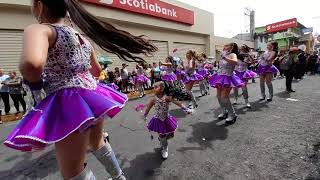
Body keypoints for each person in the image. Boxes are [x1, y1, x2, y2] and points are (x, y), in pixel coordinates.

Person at [4, 0, 157, 179]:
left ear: (39, 5)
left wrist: (36, 87)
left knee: (73, 172)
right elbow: (97, 70)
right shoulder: (81, 38)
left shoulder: (39, 29)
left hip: (68, 103)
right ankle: (119, 176)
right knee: (98, 143)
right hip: (91, 96)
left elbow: (32, 64)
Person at [143, 81, 192, 159]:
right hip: (158, 119)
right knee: (162, 135)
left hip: (166, 118)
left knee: (171, 135)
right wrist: (145, 115)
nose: (154, 89)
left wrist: (186, 109)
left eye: (156, 87)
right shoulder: (153, 99)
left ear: (162, 89)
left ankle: (162, 140)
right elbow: (148, 108)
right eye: (154, 87)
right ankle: (165, 148)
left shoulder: (167, 98)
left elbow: (177, 103)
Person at [209, 43, 244, 125]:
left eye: (227, 45)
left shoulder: (233, 54)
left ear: (231, 47)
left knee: (224, 97)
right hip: (220, 77)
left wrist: (224, 57)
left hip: (228, 77)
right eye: (225, 45)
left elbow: (235, 62)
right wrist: (213, 74)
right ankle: (223, 112)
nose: (224, 46)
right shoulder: (223, 54)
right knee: (219, 96)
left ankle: (232, 114)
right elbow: (220, 68)